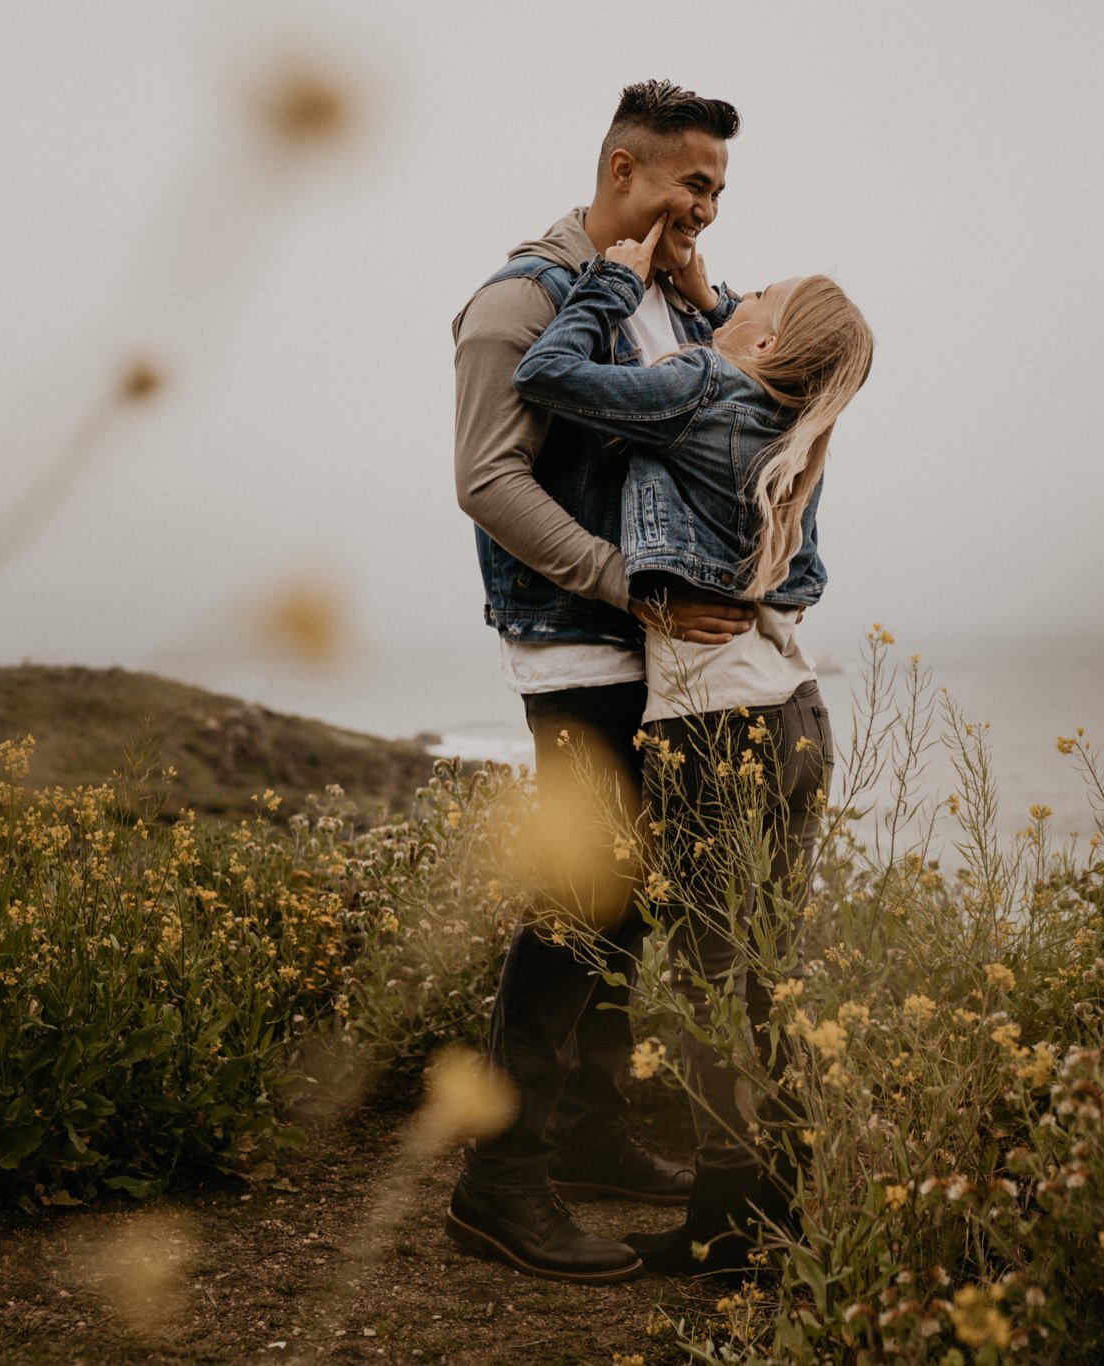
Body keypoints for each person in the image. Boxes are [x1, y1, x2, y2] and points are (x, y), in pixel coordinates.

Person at [513, 217, 875, 1275]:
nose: (735, 295)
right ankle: (775, 1216)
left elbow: (546, 375)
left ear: (762, 345)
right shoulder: (784, 424)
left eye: (756, 294)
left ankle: (730, 1238)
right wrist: (714, 296)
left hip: (720, 732)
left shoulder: (697, 392)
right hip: (792, 715)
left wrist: (612, 288)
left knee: (719, 983)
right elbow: (798, 583)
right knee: (762, 976)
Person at [446, 80, 754, 1285]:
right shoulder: (519, 301)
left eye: (719, 190)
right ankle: (495, 1180)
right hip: (579, 640)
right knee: (581, 902)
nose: (707, 209)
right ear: (623, 169)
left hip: (656, 649)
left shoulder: (662, 297)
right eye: (692, 184)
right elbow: (485, 478)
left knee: (632, 896)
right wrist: (628, 582)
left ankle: (587, 1129)